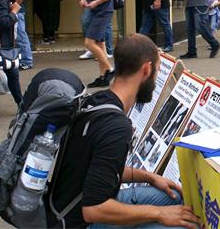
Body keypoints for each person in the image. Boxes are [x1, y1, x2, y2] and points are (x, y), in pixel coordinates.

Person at [48, 34, 199, 228]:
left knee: (176, 198)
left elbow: (98, 167)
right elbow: (94, 209)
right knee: (180, 224)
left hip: (64, 207)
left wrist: (150, 177)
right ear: (146, 69)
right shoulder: (116, 127)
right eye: (157, 72)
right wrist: (160, 214)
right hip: (81, 222)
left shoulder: (98, 101)